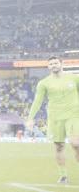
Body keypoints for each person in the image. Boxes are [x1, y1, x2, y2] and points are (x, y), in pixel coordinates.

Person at [25, 55, 79, 184]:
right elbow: (38, 101)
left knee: (76, 143)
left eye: (56, 63)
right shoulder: (44, 83)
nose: (53, 65)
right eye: (51, 64)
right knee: (59, 147)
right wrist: (30, 118)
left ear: (61, 64)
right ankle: (63, 176)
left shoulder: (74, 78)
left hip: (73, 115)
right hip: (55, 118)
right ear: (48, 67)